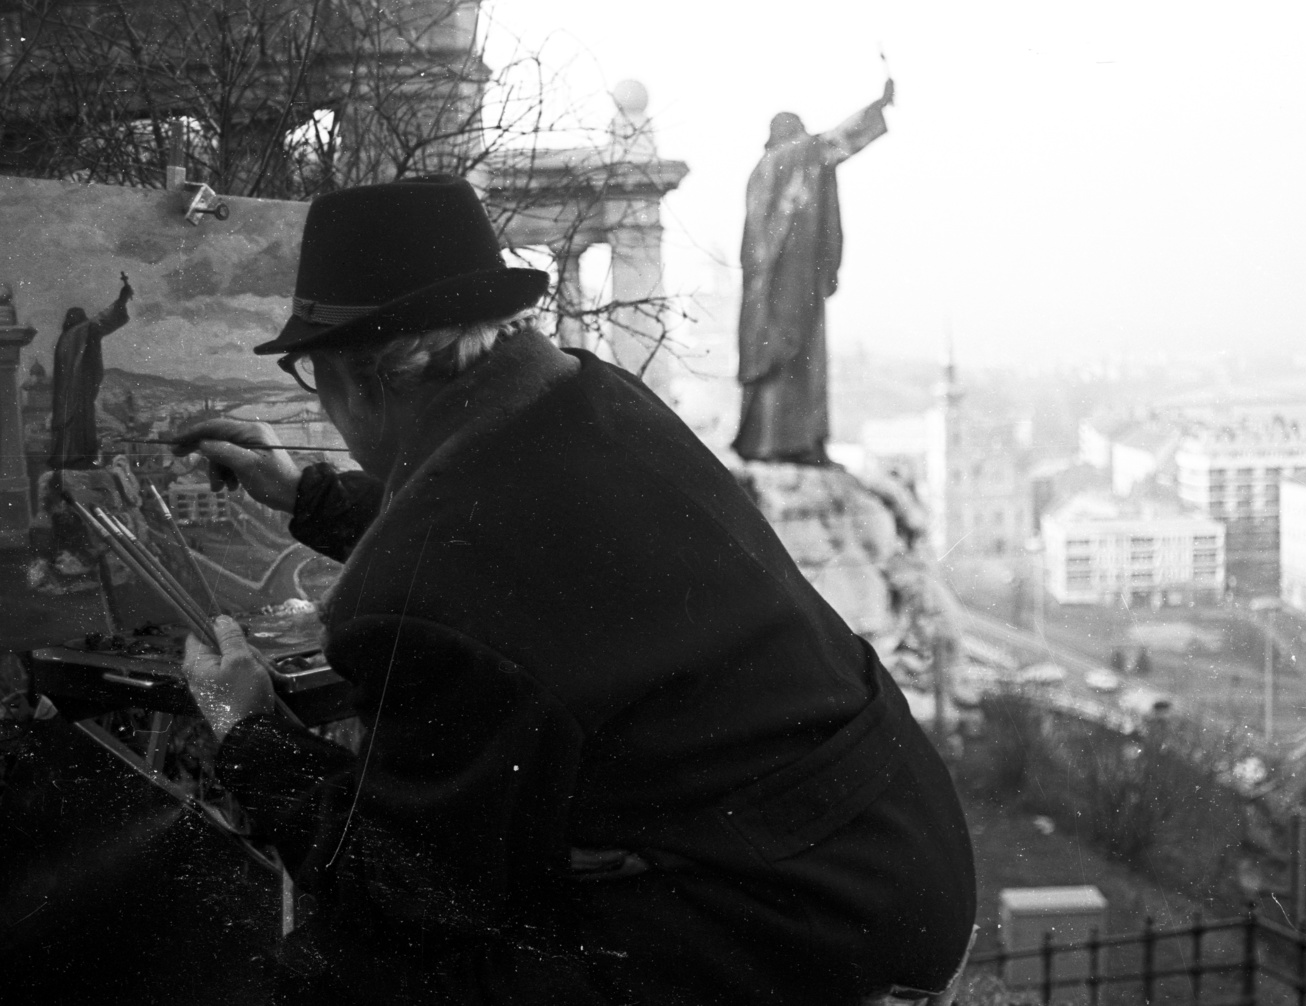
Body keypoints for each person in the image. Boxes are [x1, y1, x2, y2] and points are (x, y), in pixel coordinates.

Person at [175, 176, 975, 1005]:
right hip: (886, 853)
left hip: (799, 939)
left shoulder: (428, 579)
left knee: (373, 970)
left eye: (315, 378)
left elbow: (403, 893)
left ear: (363, 377)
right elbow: (520, 552)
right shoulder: (593, 395)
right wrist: (309, 494)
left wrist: (248, 730)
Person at [733, 80, 894, 465]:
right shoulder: (793, 158)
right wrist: (877, 107)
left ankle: (778, 441)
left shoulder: (762, 171)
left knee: (786, 361)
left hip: (768, 288)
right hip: (791, 283)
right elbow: (838, 140)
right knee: (798, 360)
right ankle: (792, 443)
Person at [50, 272, 133, 468]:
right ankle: (78, 458)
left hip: (66, 393)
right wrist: (122, 298)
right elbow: (100, 321)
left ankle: (71, 457)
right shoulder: (80, 331)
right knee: (81, 421)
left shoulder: (64, 339)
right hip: (77, 389)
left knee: (73, 423)